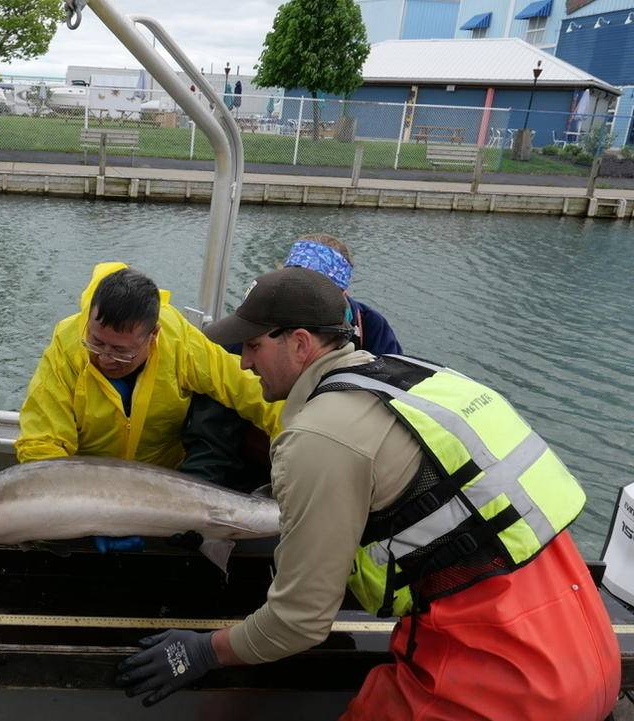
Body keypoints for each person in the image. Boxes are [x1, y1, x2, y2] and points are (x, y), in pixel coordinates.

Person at [118, 267, 620, 720]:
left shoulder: (318, 437)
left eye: (252, 347)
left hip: (501, 682)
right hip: (588, 648)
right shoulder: (424, 380)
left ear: (298, 343)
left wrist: (203, 652)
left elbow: (298, 624)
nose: (243, 363)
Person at [178, 233, 401, 489]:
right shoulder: (246, 332)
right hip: (252, 476)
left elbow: (390, 406)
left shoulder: (373, 328)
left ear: (341, 293)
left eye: (314, 293)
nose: (246, 362)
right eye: (290, 287)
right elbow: (212, 440)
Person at [15, 260, 281, 470]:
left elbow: (249, 390)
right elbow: (42, 442)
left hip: (161, 481)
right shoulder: (66, 342)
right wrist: (74, 510)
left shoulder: (178, 340)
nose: (105, 357)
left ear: (153, 335)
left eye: (121, 351)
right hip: (87, 483)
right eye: (96, 343)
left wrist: (301, 441)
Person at [283, 233, 401, 355]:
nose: (301, 297)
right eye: (293, 284)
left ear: (342, 291)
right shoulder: (267, 314)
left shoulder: (371, 325)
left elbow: (394, 370)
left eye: (317, 290)